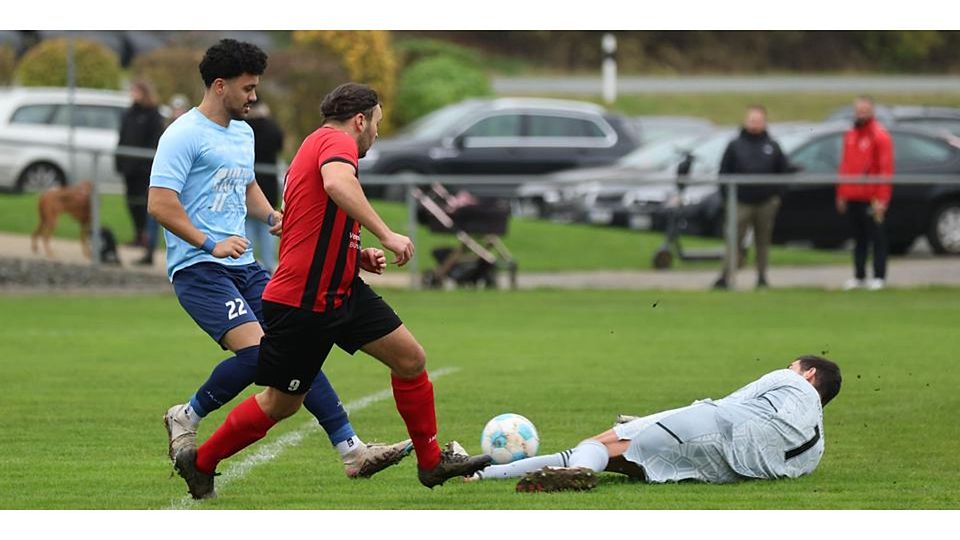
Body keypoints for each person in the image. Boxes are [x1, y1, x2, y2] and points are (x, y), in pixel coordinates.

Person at [170, 82, 492, 500]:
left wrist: (357, 255)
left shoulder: (317, 144)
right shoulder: (334, 143)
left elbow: (306, 225)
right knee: (280, 404)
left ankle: (431, 463)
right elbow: (339, 185)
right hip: (304, 301)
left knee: (411, 359)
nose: (377, 132)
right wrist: (388, 234)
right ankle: (202, 462)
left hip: (341, 292)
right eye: (376, 123)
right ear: (360, 120)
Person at [148, 40, 411, 496]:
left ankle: (352, 450)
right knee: (258, 356)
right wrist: (210, 242)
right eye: (248, 88)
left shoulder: (243, 134)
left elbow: (244, 184)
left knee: (300, 346)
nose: (254, 97)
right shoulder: (182, 134)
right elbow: (160, 204)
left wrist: (272, 217)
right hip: (199, 270)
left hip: (245, 266)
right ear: (219, 85)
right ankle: (185, 415)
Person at [468, 355, 841, 492]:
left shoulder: (790, 381)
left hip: (713, 423)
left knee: (598, 444)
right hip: (727, 470)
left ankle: (579, 469)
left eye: (794, 365)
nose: (789, 369)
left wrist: (658, 420)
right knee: (619, 461)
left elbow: (730, 405)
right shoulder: (818, 447)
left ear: (808, 374)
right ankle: (481, 476)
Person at [713, 105, 792, 290]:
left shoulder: (772, 146)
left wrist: (776, 197)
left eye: (758, 120)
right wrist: (728, 198)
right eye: (751, 120)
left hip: (765, 202)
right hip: (741, 202)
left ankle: (762, 277)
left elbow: (783, 172)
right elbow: (723, 173)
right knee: (733, 240)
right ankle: (726, 276)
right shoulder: (735, 145)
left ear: (764, 122)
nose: (754, 124)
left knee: (763, 242)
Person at [837, 96, 894, 291]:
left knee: (877, 237)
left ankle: (879, 276)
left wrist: (882, 198)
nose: (860, 114)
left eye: (864, 110)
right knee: (858, 238)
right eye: (858, 110)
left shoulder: (880, 136)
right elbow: (845, 166)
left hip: (872, 197)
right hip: (853, 195)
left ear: (872, 111)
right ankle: (859, 276)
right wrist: (842, 192)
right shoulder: (851, 135)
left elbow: (886, 169)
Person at [137, 94, 193, 266]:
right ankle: (149, 252)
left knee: (181, 221)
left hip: (184, 187)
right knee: (155, 216)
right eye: (175, 109)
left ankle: (187, 257)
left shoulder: (190, 130)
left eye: (180, 109)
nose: (177, 112)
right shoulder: (167, 129)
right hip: (165, 183)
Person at [116, 79, 164, 250]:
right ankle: (138, 235)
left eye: (136, 91)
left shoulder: (153, 115)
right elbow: (122, 137)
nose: (133, 95)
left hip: (144, 170)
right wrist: (120, 161)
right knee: (131, 202)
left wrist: (144, 164)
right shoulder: (129, 113)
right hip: (129, 168)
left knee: (145, 204)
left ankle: (147, 240)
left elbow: (155, 141)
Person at [244, 101, 284, 273]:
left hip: (248, 190)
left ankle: (250, 266)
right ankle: (266, 268)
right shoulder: (269, 128)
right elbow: (279, 141)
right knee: (266, 236)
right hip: (266, 189)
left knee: (249, 236)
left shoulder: (244, 128)